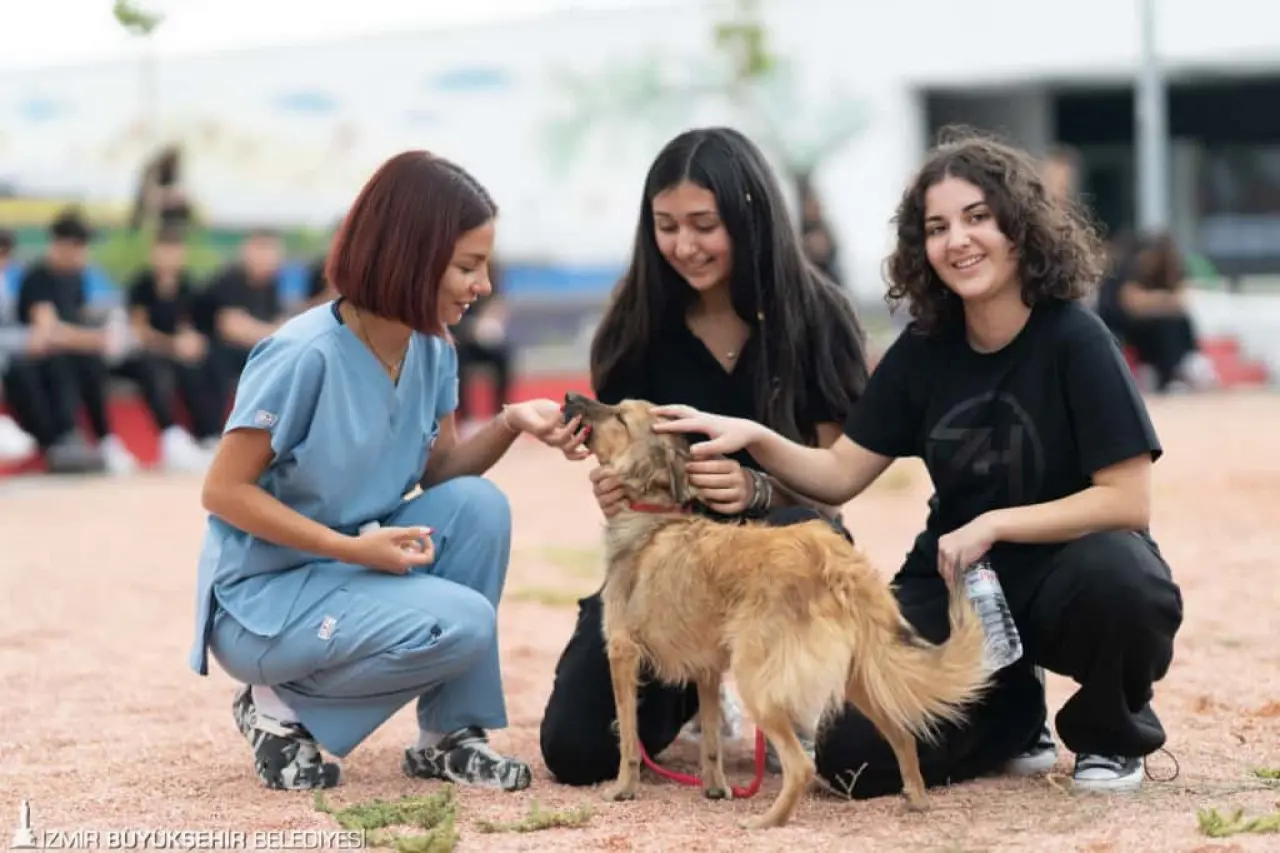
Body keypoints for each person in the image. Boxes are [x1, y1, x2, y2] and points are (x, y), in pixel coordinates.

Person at [651, 127, 1185, 797]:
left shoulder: (1075, 338)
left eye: (977, 217)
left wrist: (995, 522)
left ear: (1018, 228)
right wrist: (753, 434)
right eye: (937, 227)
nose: (956, 239)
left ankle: (1110, 733)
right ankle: (1011, 711)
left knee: (1125, 578)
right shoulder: (925, 349)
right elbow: (840, 471)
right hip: (957, 583)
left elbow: (1126, 501)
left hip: (1070, 571)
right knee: (850, 758)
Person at [190, 149, 589, 792]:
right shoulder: (303, 355)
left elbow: (443, 473)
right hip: (265, 601)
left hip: (348, 569)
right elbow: (222, 490)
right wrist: (349, 548)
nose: (482, 286)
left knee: (478, 507)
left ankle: (448, 736)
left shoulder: (432, 346)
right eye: (467, 266)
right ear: (412, 256)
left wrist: (512, 422)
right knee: (463, 622)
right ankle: (277, 708)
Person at [538, 126, 873, 787]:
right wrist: (616, 491)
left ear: (749, 215)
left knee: (856, 759)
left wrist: (758, 489)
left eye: (703, 224)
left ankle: (783, 692)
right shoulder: (634, 327)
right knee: (577, 749)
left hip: (780, 557)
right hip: (671, 582)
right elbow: (620, 461)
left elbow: (838, 486)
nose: (684, 246)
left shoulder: (817, 316)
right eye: (665, 226)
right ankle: (700, 690)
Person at [4, 209, 136, 474]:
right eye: (79, 246)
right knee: (67, 361)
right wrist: (96, 340)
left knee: (91, 361)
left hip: (72, 355)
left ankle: (105, 439)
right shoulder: (37, 278)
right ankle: (65, 438)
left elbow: (78, 319)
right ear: (61, 245)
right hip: (39, 357)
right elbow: (49, 331)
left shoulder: (76, 279)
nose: (84, 254)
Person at [115, 225, 222, 469]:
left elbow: (187, 324)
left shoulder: (187, 285)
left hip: (174, 352)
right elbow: (139, 332)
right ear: (154, 253)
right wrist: (173, 344)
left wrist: (192, 341)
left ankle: (208, 435)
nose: (170, 257)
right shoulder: (141, 285)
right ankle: (170, 436)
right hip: (142, 353)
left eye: (175, 251)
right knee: (154, 368)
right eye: (164, 250)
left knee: (206, 363)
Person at [1095, 231, 1218, 393]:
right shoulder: (1132, 269)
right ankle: (1169, 375)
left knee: (1180, 321)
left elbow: (1182, 300)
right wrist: (1164, 301)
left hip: (1160, 325)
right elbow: (1132, 302)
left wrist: (1156, 303)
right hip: (1129, 327)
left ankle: (1187, 365)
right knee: (1164, 326)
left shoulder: (1172, 270)